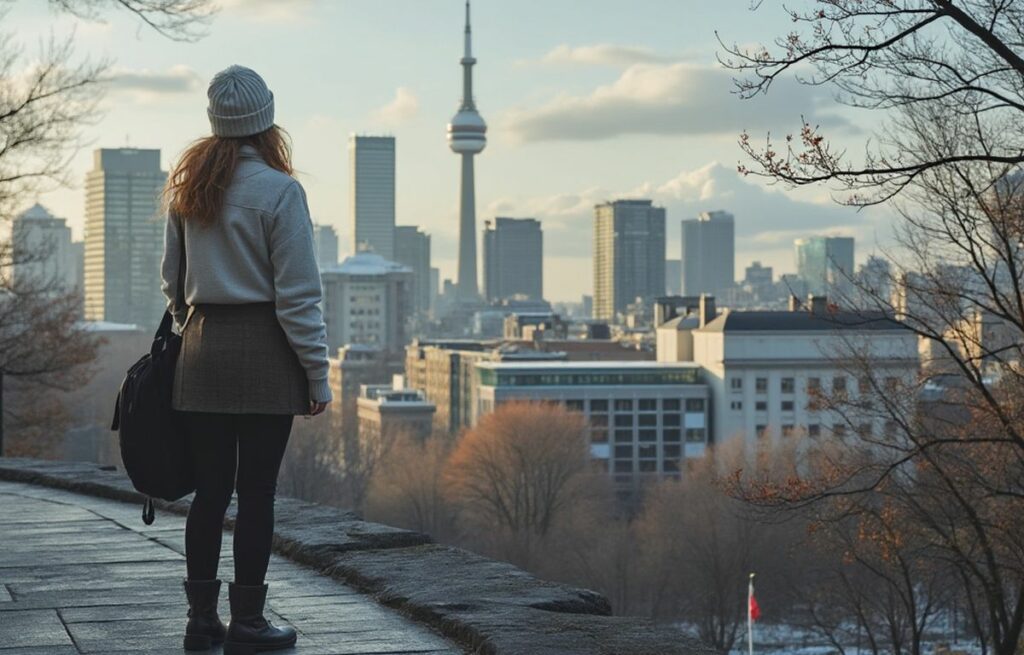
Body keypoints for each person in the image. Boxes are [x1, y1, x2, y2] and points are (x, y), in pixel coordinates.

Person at [160, 65, 332, 654]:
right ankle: (250, 624)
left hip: (202, 351)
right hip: (267, 353)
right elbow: (299, 296)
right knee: (257, 493)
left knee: (209, 493)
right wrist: (317, 372)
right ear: (266, 120)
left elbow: (171, 282)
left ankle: (201, 620)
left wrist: (195, 328)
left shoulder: (187, 189)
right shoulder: (281, 191)